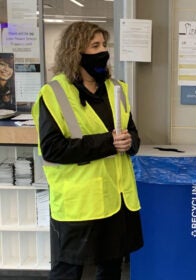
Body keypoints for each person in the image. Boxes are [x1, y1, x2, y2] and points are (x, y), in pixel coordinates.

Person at [31, 22, 143, 280]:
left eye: (104, 45)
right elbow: (52, 149)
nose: (103, 51)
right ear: (75, 51)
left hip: (116, 199)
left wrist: (130, 143)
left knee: (111, 268)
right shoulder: (54, 93)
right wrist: (108, 143)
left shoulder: (117, 89)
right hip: (78, 203)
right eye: (95, 46)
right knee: (68, 270)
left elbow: (132, 134)